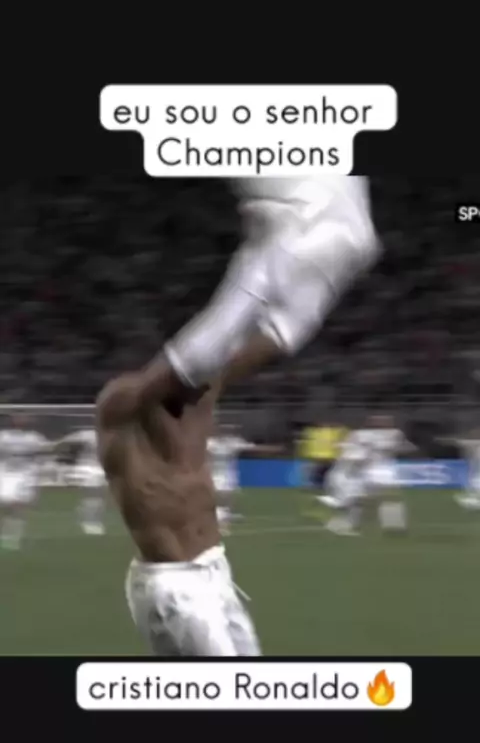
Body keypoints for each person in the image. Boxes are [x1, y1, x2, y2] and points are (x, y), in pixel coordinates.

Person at [96, 177, 379, 656]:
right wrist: (257, 263)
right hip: (173, 584)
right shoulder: (119, 408)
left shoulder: (197, 404)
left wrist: (311, 299)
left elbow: (248, 354)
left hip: (214, 571)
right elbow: (195, 358)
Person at [0, 413, 50, 551]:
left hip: (26, 475)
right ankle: (8, 534)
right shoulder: (4, 436)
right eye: (18, 417)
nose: (21, 420)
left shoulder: (34, 437)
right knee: (7, 504)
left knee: (18, 506)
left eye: (24, 417)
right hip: (7, 473)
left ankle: (12, 537)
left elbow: (47, 449)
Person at [54, 428, 106, 534]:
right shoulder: (88, 434)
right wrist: (64, 452)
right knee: (93, 496)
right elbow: (63, 441)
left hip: (100, 468)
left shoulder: (108, 434)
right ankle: (90, 522)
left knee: (98, 498)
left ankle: (88, 517)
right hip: (88, 468)